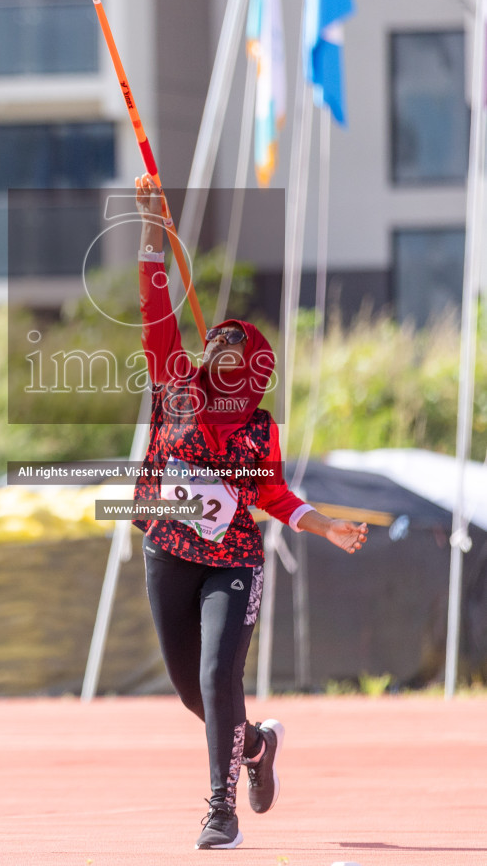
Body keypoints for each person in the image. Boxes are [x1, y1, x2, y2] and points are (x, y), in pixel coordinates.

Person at [132, 174, 368, 851]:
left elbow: (273, 494)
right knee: (190, 692)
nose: (221, 365)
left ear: (255, 373)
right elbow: (156, 310)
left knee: (217, 676)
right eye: (217, 354)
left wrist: (324, 525)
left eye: (236, 360)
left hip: (231, 561)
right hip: (168, 554)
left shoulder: (257, 430)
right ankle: (258, 744)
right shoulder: (175, 384)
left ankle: (219, 810)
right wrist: (154, 231)